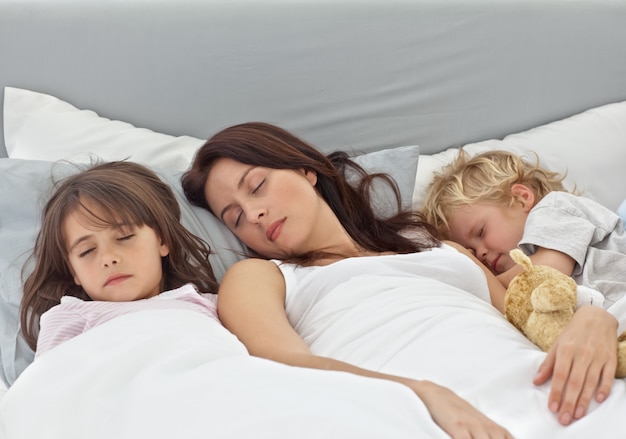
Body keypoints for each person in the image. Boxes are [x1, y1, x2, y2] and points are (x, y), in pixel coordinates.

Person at [20, 161, 219, 357]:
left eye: (124, 237)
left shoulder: (210, 305)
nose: (108, 258)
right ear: (73, 271)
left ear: (162, 240)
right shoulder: (70, 318)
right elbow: (48, 384)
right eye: (87, 251)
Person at [421, 149, 626, 302]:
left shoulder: (553, 208)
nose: (480, 254)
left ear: (521, 199)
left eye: (481, 232)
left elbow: (548, 271)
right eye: (472, 251)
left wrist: (476, 278)